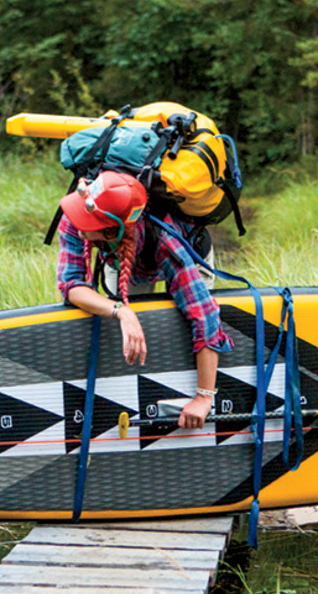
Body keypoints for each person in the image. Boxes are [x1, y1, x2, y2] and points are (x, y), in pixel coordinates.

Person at [55, 170, 234, 430]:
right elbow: (71, 284)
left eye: (87, 222)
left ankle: (200, 379)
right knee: (129, 322)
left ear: (110, 231)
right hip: (121, 256)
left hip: (188, 248)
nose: (77, 221)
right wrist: (121, 312)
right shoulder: (78, 214)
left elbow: (205, 316)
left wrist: (203, 397)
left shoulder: (167, 245)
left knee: (188, 316)